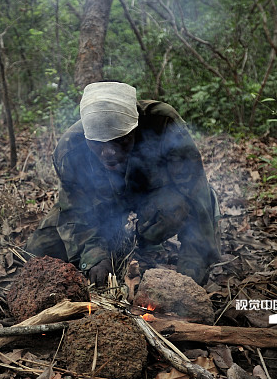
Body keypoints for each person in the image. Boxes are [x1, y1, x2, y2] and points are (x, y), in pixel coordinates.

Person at [25, 81, 221, 285]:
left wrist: (190, 274)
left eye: (120, 140)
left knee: (177, 206)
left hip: (154, 199)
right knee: (40, 249)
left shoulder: (163, 125)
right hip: (104, 207)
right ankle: (114, 237)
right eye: (98, 144)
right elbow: (75, 212)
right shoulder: (70, 150)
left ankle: (146, 239)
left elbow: (195, 196)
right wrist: (95, 258)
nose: (109, 153)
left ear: (135, 126)